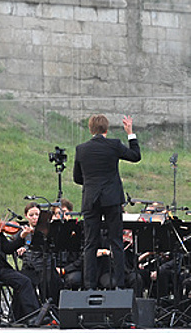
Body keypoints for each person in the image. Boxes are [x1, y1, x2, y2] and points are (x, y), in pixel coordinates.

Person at [74, 114, 141, 290]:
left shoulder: (81, 149)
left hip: (90, 200)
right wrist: (130, 133)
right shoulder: (114, 145)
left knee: (90, 243)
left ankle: (89, 286)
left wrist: (91, 183)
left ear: (90, 129)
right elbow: (135, 156)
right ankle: (119, 286)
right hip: (111, 200)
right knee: (116, 242)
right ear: (106, 129)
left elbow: (77, 177)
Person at [17, 202, 63, 304]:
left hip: (45, 266)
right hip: (29, 267)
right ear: (26, 216)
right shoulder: (23, 231)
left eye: (37, 215)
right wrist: (22, 248)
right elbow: (14, 246)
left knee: (52, 281)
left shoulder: (47, 231)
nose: (34, 218)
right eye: (31, 215)